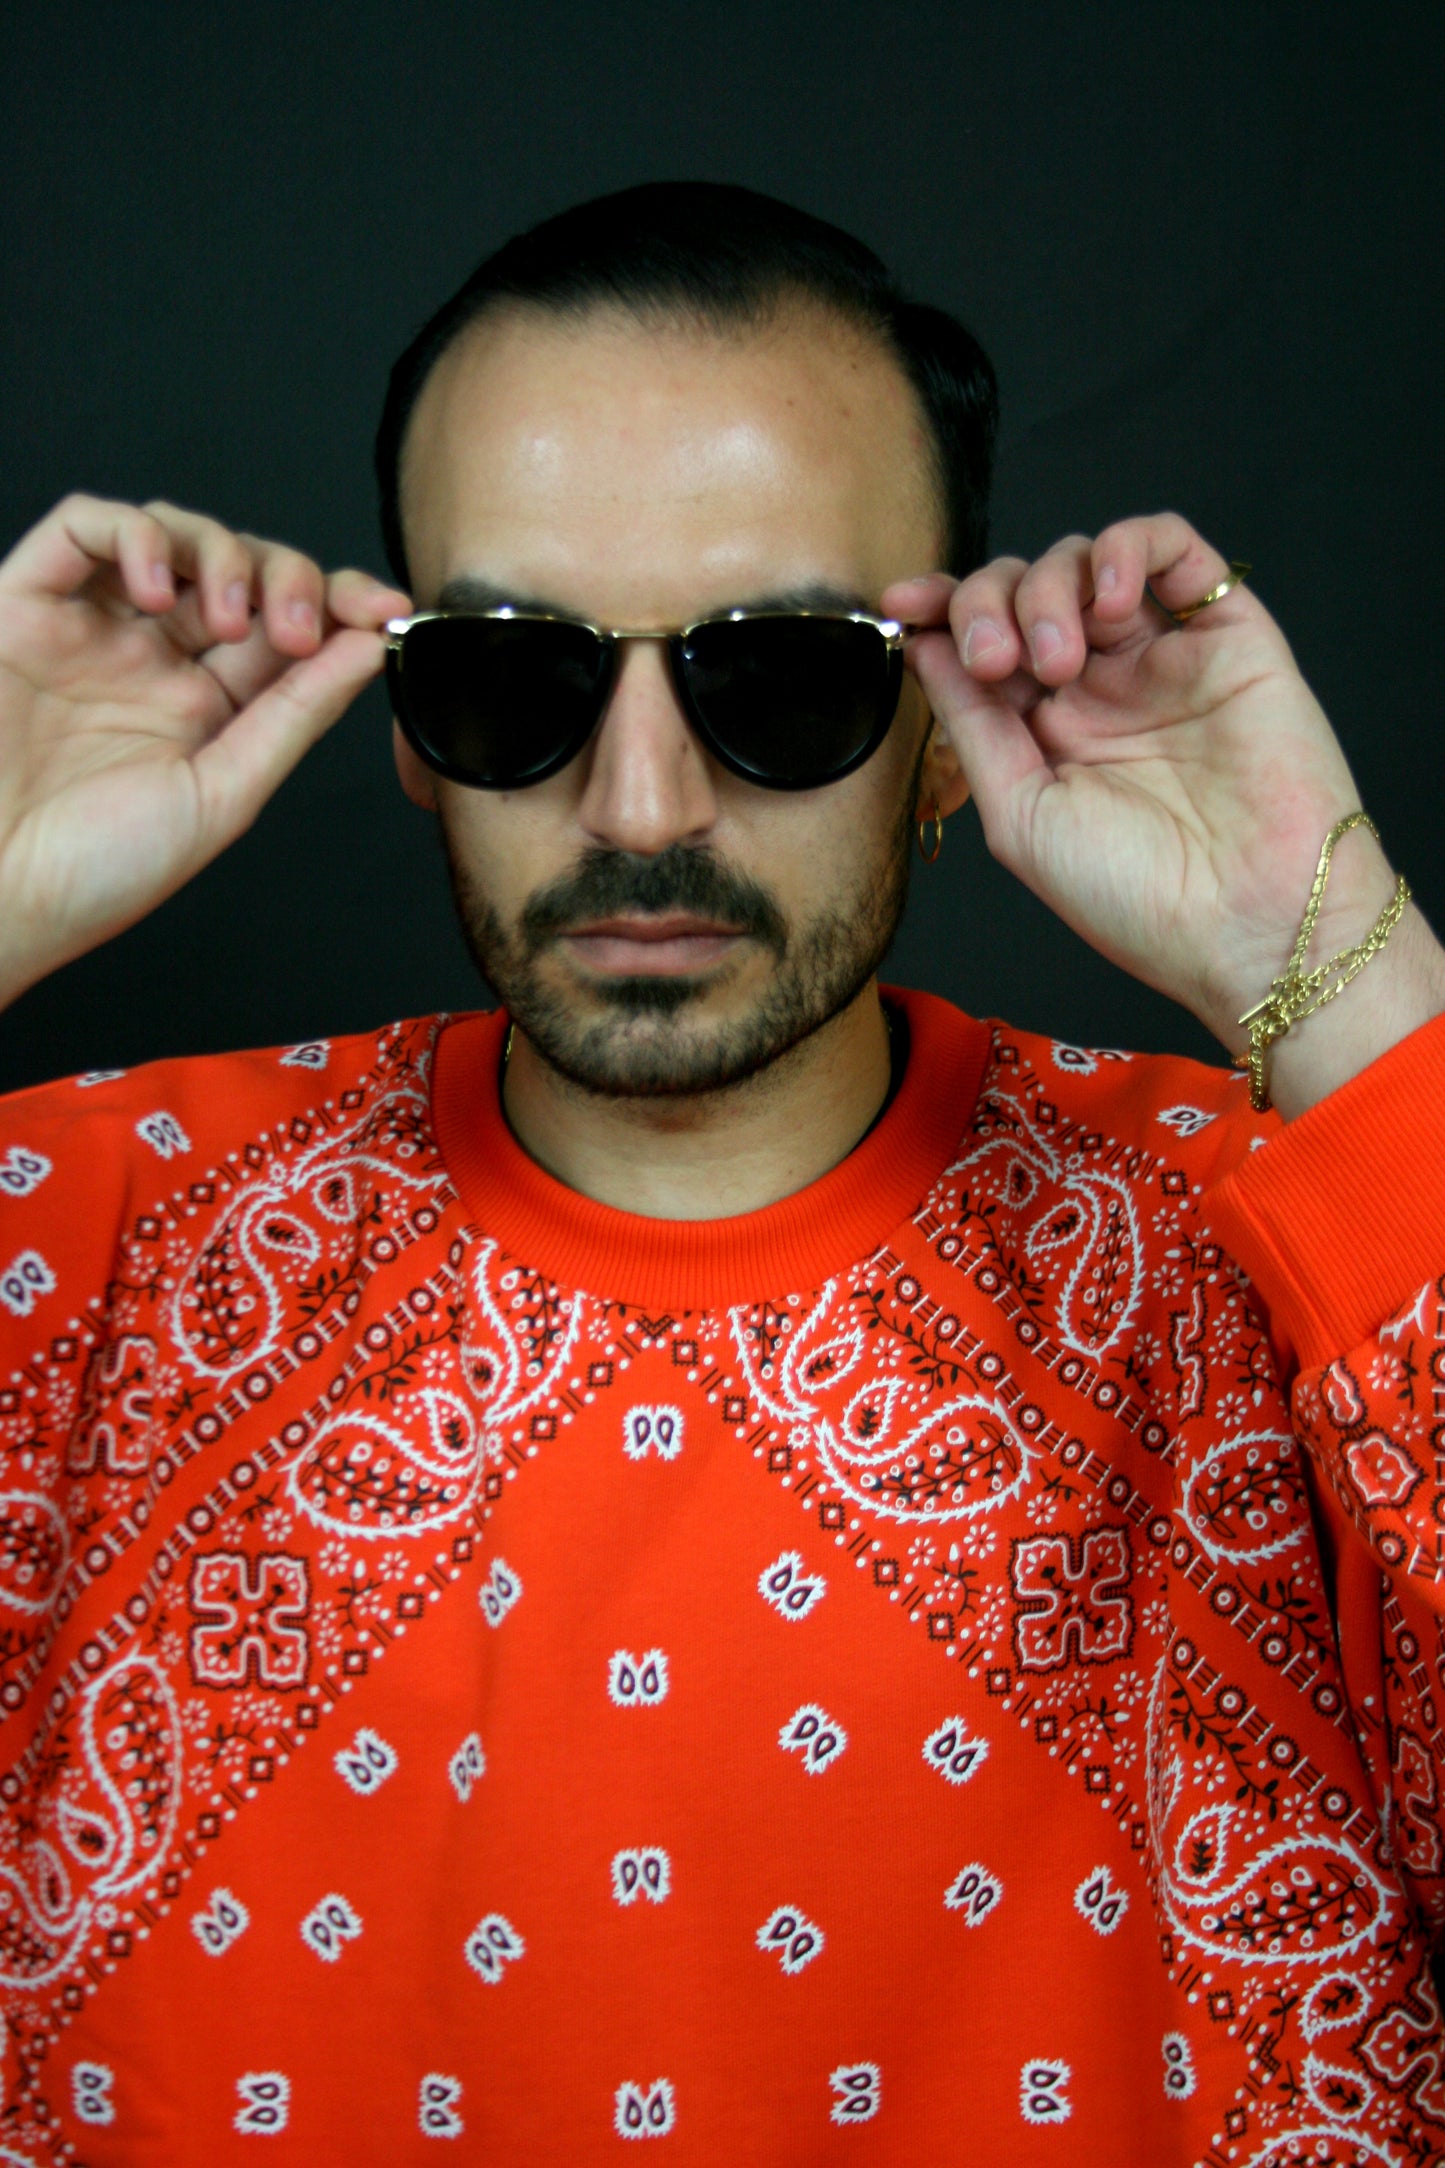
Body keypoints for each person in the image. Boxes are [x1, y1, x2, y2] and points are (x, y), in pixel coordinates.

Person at [0, 180, 1440, 2165]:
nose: (640, 803)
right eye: (511, 675)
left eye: (783, 677)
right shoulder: (79, 1234)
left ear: (948, 720)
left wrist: (1341, 966)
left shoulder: (1303, 1237)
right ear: (406, 724)